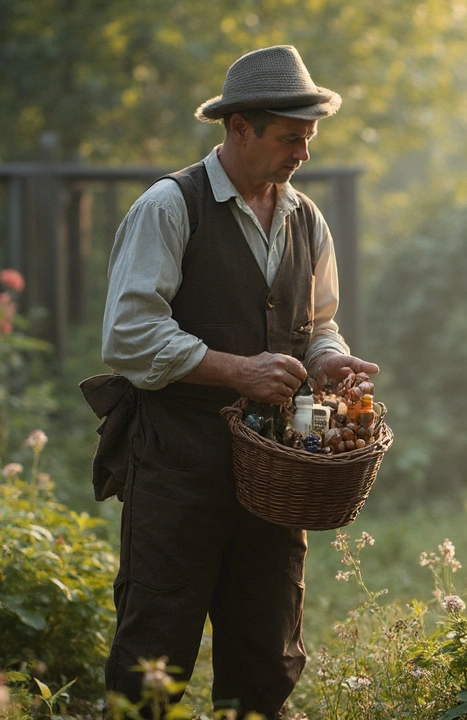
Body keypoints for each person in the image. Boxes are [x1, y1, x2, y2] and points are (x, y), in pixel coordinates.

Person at [84, 45, 377, 718]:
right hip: (178, 466)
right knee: (152, 654)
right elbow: (127, 335)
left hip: (277, 476)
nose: (303, 152)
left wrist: (330, 359)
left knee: (266, 654)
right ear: (238, 127)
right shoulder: (169, 207)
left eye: (309, 137)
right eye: (290, 137)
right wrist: (235, 368)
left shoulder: (307, 218)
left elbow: (320, 323)